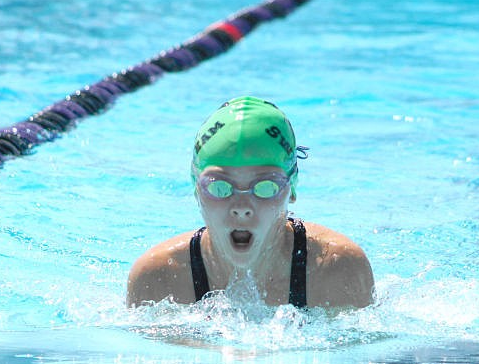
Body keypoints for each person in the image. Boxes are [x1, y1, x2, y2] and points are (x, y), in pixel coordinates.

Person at [126, 96, 374, 309]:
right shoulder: (157, 278)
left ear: (292, 187)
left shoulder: (337, 268)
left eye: (265, 187)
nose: (242, 206)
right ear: (195, 188)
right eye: (220, 187)